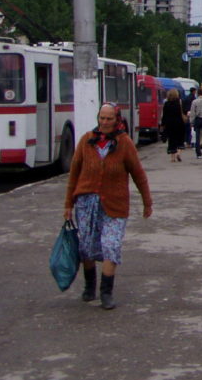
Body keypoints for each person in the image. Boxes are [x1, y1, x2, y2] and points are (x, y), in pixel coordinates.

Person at [63, 103, 153, 310]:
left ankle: (106, 292)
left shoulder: (125, 143)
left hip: (115, 204)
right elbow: (74, 174)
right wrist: (68, 203)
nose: (104, 123)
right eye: (101, 118)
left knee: (111, 246)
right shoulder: (86, 141)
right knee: (86, 247)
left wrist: (147, 202)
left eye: (109, 119)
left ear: (117, 120)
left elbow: (138, 174)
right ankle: (89, 286)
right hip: (86, 203)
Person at [160, 88, 187, 162]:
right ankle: (178, 153)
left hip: (169, 124)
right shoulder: (179, 102)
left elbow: (164, 115)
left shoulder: (166, 104)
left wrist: (162, 125)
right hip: (179, 123)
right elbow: (184, 112)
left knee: (171, 140)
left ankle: (172, 158)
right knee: (180, 139)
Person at [190, 87, 202, 158]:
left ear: (198, 93)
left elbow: (192, 112)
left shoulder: (194, 101)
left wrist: (191, 122)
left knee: (197, 137)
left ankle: (198, 153)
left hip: (197, 119)